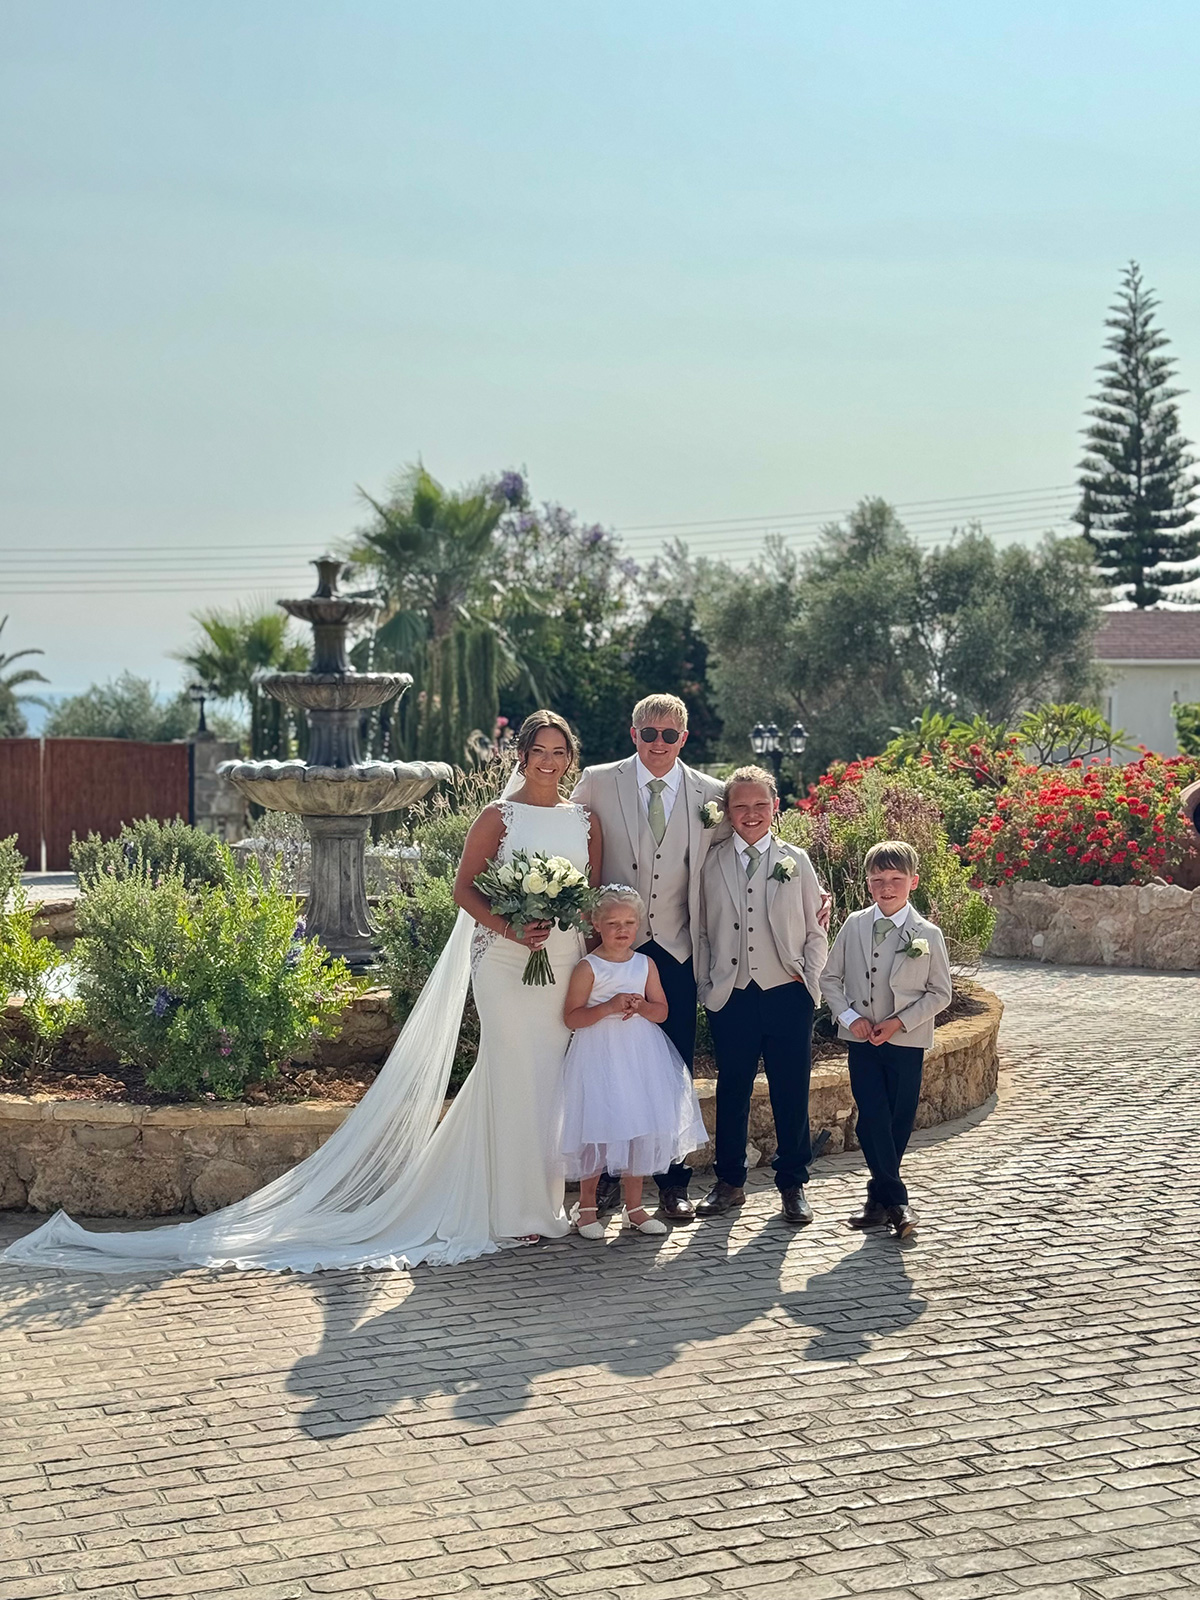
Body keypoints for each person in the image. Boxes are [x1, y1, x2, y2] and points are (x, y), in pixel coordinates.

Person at [1, 710, 603, 1275]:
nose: (549, 761)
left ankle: (539, 1201)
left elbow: (590, 895)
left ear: (570, 758)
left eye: (559, 752)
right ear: (521, 756)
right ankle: (511, 1212)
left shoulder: (583, 822)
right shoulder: (498, 817)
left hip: (562, 957)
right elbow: (464, 890)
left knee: (548, 1075)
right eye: (539, 751)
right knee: (510, 1069)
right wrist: (512, 927)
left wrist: (569, 931)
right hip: (504, 960)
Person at [571, 694, 725, 1223]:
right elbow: (567, 843)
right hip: (613, 950)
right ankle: (608, 1182)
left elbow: (745, 848)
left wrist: (811, 892)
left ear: (684, 738)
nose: (659, 743)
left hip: (677, 949)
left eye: (670, 735)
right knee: (608, 1065)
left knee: (673, 1067)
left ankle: (671, 1184)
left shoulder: (712, 793)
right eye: (649, 733)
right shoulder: (597, 781)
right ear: (633, 733)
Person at [694, 766, 828, 1226]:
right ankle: (730, 1182)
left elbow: (815, 929)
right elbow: (701, 932)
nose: (750, 813)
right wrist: (707, 985)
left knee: (791, 1089)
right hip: (730, 994)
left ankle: (793, 1185)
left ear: (775, 808)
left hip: (787, 992)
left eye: (759, 805)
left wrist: (808, 980)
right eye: (740, 806)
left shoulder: (797, 860)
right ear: (728, 812)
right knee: (733, 1088)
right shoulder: (710, 863)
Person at [820, 839, 952, 1241]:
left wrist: (898, 1022)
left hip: (907, 1041)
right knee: (871, 1117)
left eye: (896, 879)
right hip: (861, 1041)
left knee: (898, 1121)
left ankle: (877, 1201)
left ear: (913, 882)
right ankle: (898, 1204)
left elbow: (940, 993)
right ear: (867, 884)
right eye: (878, 880)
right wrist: (849, 1018)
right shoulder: (854, 924)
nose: (887, 887)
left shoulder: (927, 933)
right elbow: (829, 978)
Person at [560, 886, 707, 1241]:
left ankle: (635, 1208)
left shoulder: (645, 964)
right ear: (596, 924)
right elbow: (572, 1017)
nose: (622, 930)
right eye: (613, 923)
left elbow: (662, 1011)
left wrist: (641, 1007)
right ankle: (587, 1207)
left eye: (629, 922)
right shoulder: (588, 966)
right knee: (596, 1129)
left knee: (639, 1128)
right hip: (599, 1055)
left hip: (639, 1056)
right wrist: (609, 1007)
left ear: (639, 924)